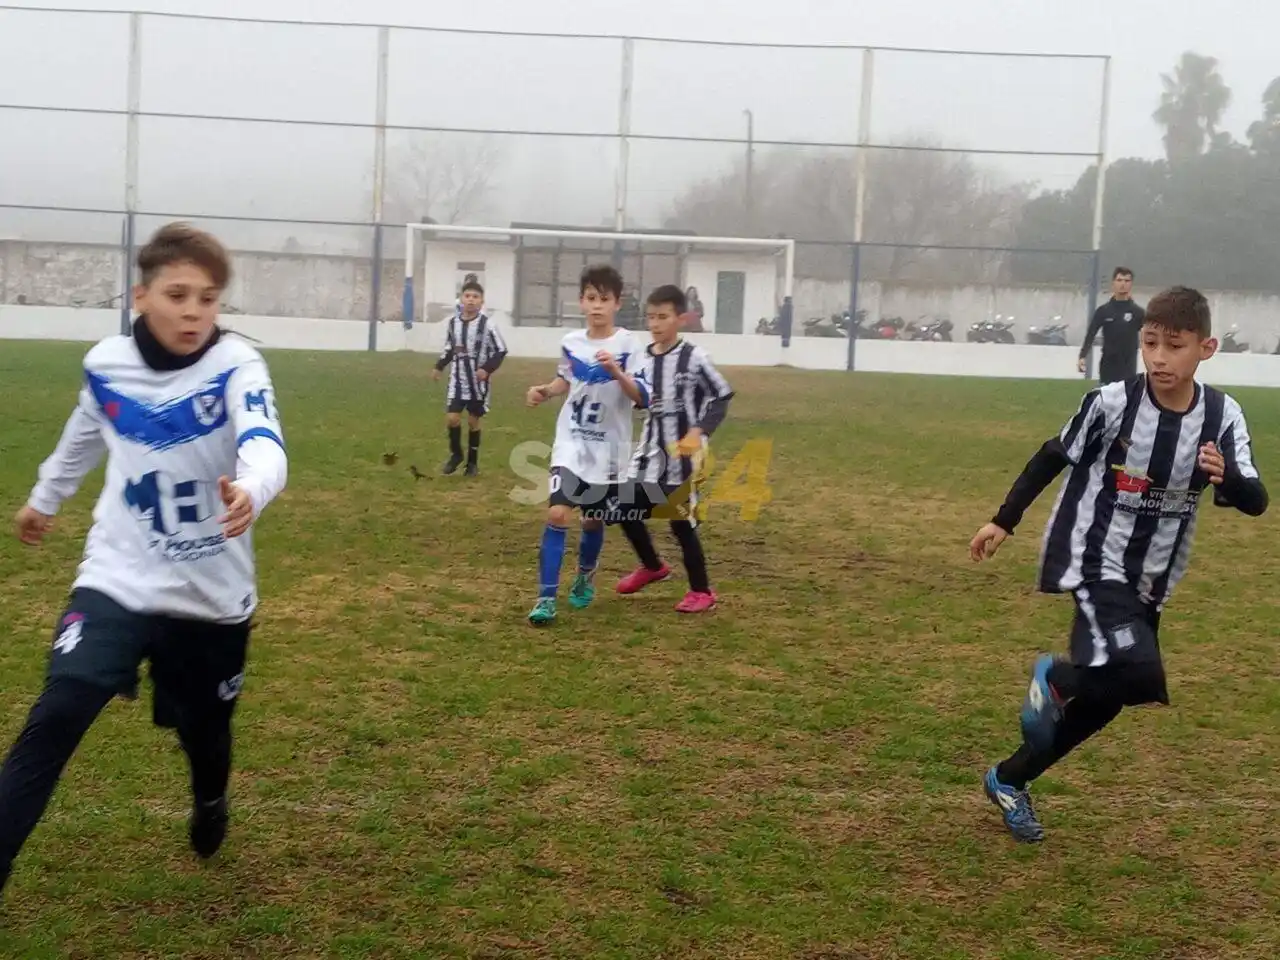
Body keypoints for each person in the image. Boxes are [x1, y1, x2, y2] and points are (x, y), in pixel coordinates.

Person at [0, 222, 289, 894]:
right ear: (142, 296)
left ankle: (210, 800)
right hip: (118, 574)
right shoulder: (106, 365)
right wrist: (45, 498)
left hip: (210, 593)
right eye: (178, 294)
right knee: (58, 713)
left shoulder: (238, 366)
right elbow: (83, 432)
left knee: (204, 733)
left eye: (208, 299)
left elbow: (265, 440)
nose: (193, 312)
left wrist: (250, 487)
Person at [970, 286, 1267, 843]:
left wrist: (1228, 476)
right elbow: (1052, 455)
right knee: (1141, 672)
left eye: (1173, 346)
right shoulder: (1111, 403)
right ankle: (1055, 679)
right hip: (1094, 556)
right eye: (1150, 343)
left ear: (1206, 348)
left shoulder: (1223, 415)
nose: (1158, 357)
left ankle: (1009, 779)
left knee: (1109, 698)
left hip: (1152, 579)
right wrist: (1003, 520)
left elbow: (1255, 500)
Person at [524, 265, 648, 626]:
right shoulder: (572, 342)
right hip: (572, 440)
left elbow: (642, 397)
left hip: (609, 448)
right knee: (558, 513)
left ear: (617, 304)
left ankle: (585, 572)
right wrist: (544, 391)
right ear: (581, 302)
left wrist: (617, 372)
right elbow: (566, 380)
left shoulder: (628, 345)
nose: (597, 306)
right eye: (591, 298)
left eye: (604, 299)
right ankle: (545, 598)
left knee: (593, 520)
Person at [609, 284, 734, 613]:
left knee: (679, 520)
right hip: (648, 452)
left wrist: (699, 430)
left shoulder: (694, 357)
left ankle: (702, 591)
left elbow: (722, 395)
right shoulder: (643, 359)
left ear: (680, 319)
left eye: (663, 317)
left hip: (682, 457)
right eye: (650, 317)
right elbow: (639, 400)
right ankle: (653, 567)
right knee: (621, 506)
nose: (655, 324)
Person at [433, 280, 507, 476]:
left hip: (478, 383)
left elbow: (501, 350)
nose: (471, 300)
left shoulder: (488, 325)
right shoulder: (453, 323)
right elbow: (450, 348)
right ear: (461, 299)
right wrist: (439, 366)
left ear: (481, 301)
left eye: (475, 297)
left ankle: (472, 463)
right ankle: (456, 454)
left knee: (474, 421)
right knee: (452, 419)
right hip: (457, 380)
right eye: (467, 296)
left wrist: (486, 369)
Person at [1078, 267, 1144, 383]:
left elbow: (1149, 335)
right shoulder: (1103, 311)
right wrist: (1082, 356)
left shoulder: (1138, 312)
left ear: (1131, 284)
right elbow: (1091, 334)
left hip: (1128, 369)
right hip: (1107, 368)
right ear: (1113, 283)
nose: (1122, 284)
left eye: (1126, 281)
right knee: (1106, 400)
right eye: (1119, 280)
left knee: (1126, 401)